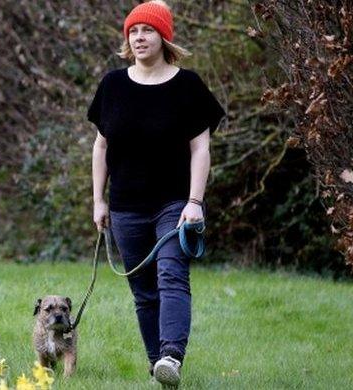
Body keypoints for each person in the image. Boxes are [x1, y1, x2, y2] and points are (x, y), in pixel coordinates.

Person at [86, 1, 226, 388]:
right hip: (126, 206)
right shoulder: (113, 85)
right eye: (133, 31)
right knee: (144, 293)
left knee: (171, 277)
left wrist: (195, 203)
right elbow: (101, 147)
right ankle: (157, 366)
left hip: (174, 204)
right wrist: (99, 200)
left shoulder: (188, 86)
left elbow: (201, 149)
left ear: (164, 37)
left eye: (147, 30)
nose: (139, 37)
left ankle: (171, 357)